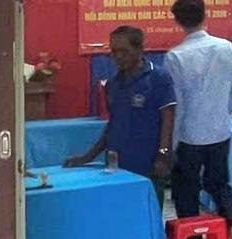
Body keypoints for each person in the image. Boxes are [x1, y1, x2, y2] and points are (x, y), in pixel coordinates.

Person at [161, 0, 232, 239]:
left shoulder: (175, 56)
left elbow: (177, 104)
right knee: (219, 182)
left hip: (189, 134)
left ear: (177, 21)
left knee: (186, 190)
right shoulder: (225, 47)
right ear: (205, 15)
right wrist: (222, 110)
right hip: (220, 130)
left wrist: (170, 145)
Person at [66, 25, 176, 184]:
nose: (118, 57)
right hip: (116, 165)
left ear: (139, 50)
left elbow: (168, 118)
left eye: (124, 51)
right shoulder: (113, 84)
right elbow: (113, 125)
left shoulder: (158, 77)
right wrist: (87, 157)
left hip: (149, 164)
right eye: (114, 52)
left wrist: (163, 153)